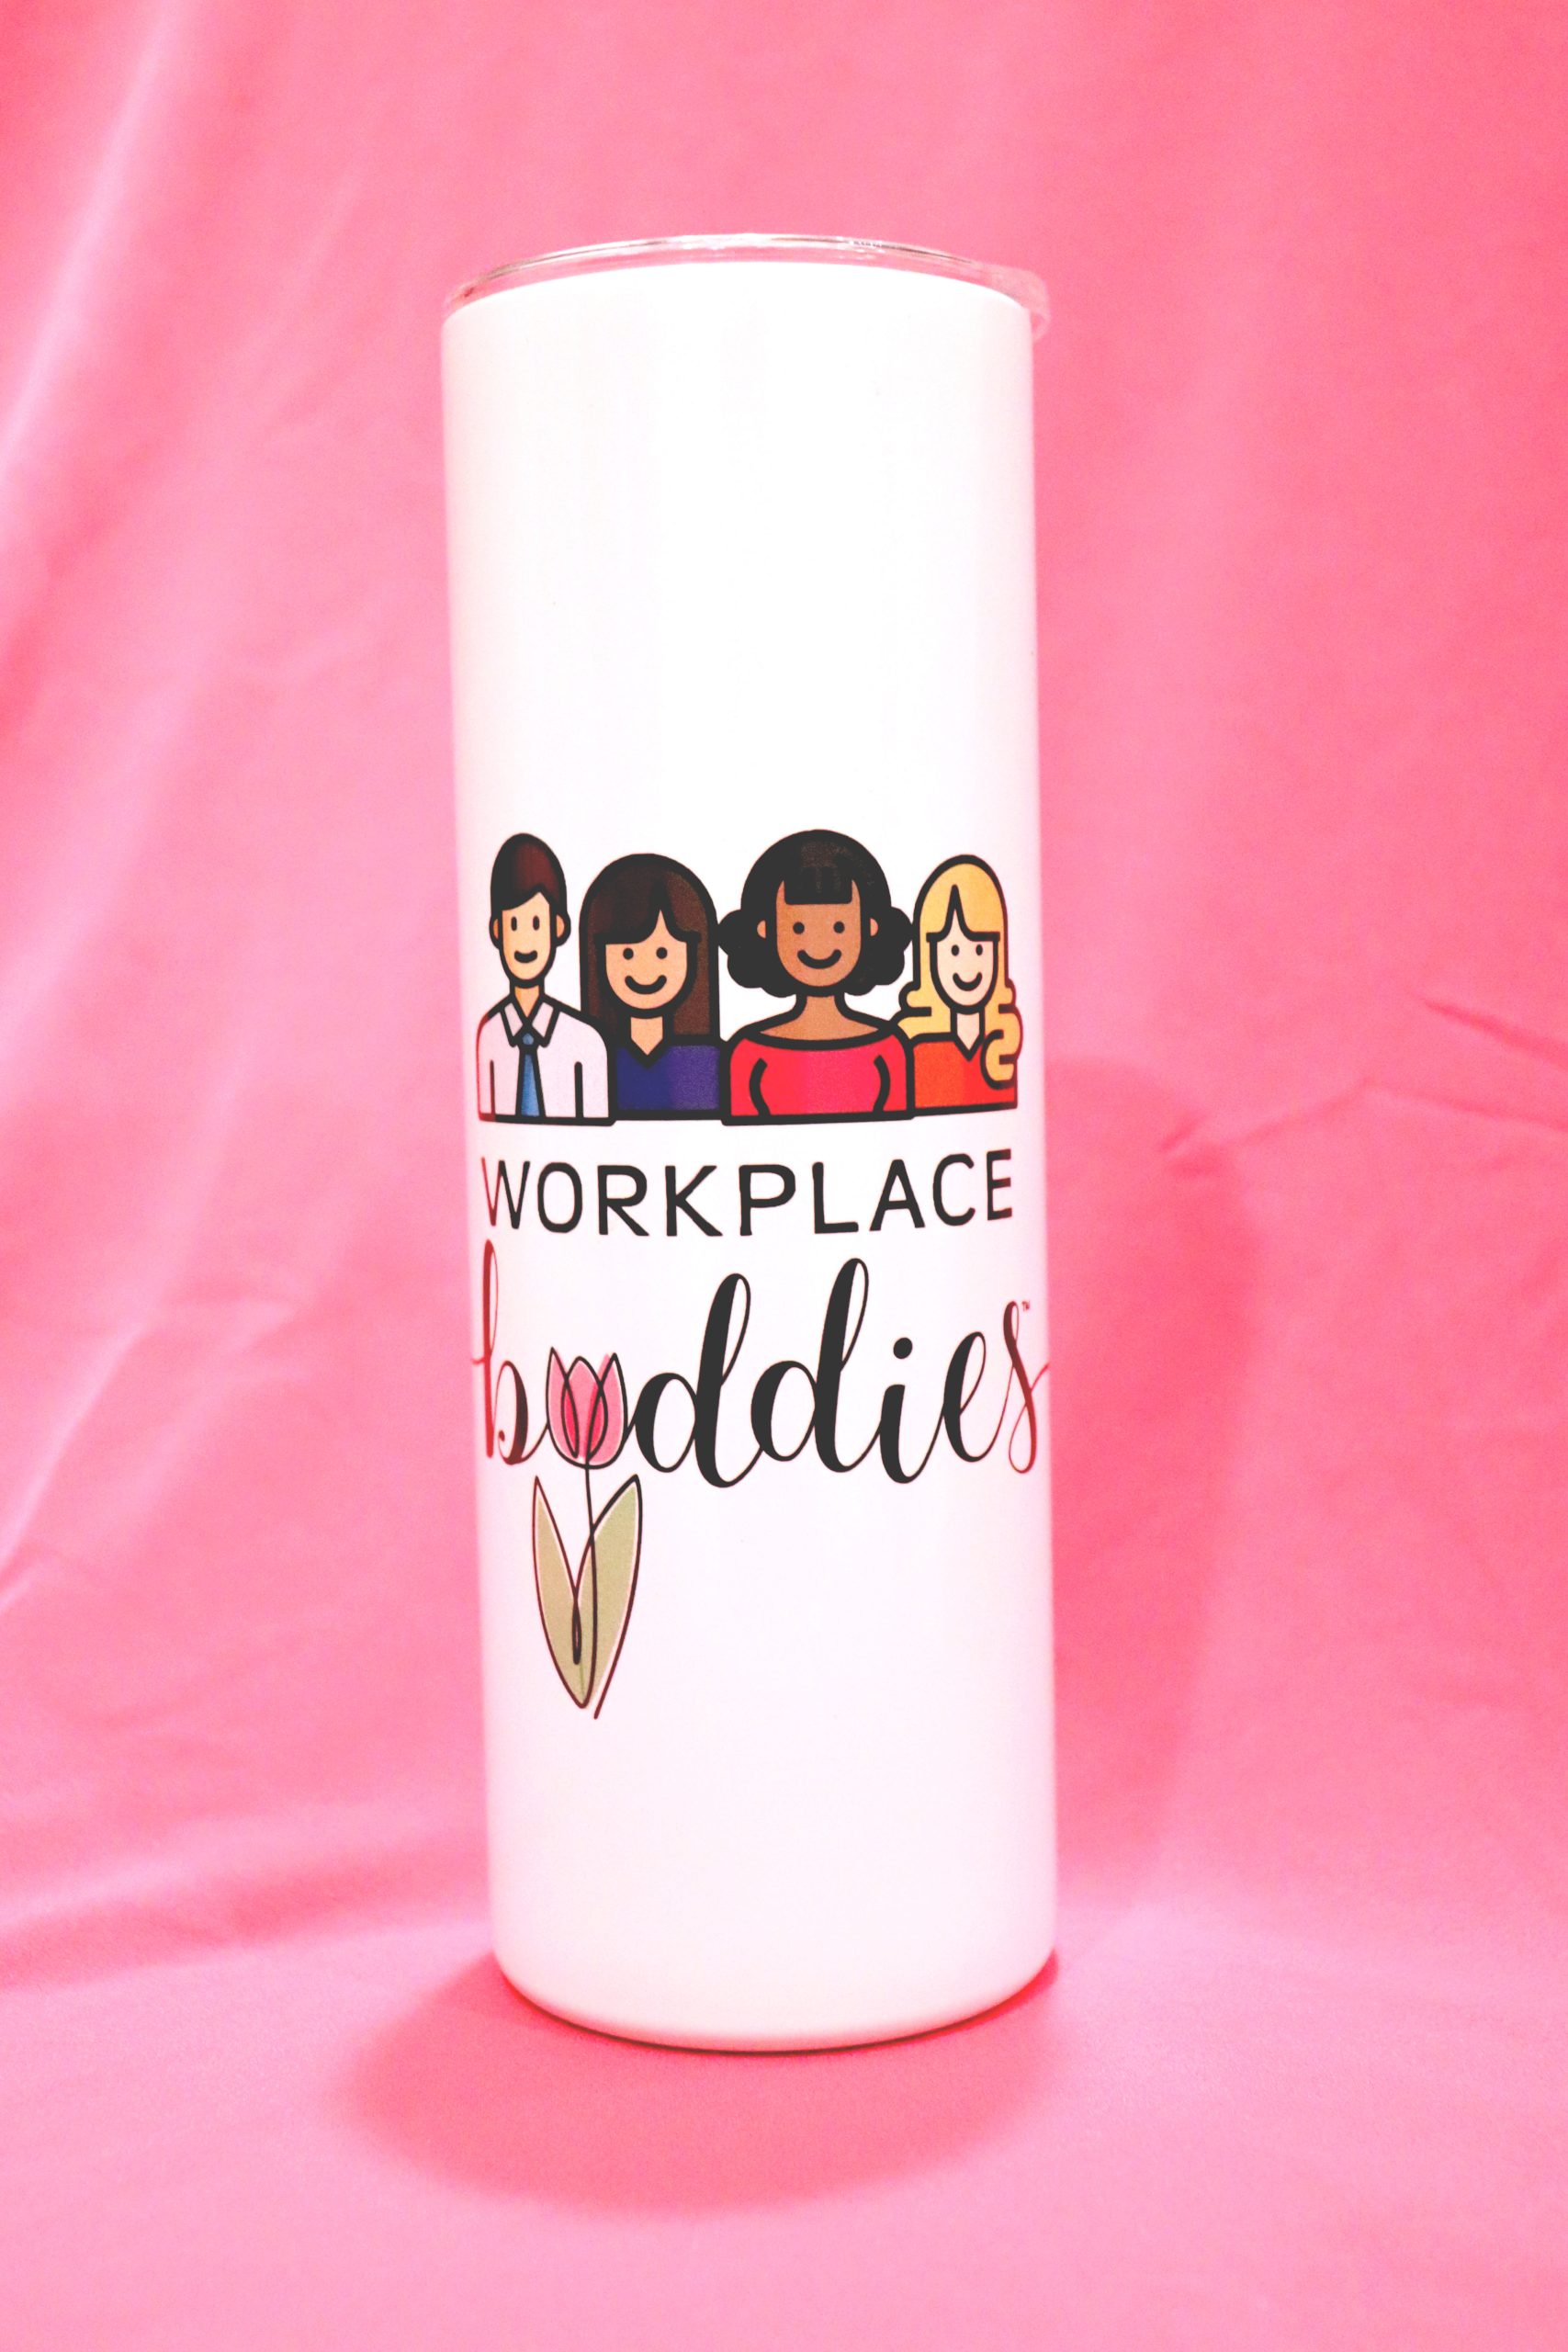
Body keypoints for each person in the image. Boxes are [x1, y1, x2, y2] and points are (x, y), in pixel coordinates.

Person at [718, 831, 912, 1120]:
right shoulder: (749, 1053)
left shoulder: (888, 1048)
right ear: (765, 930)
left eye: (838, 927)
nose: (819, 945)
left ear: (870, 928)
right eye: (798, 928)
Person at [476, 833, 608, 1121]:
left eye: (536, 923)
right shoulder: (490, 1036)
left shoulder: (585, 1041)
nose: (524, 939)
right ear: (497, 930)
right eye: (514, 924)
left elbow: (601, 1129)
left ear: (557, 927)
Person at [579, 854, 721, 1116]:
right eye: (627, 954)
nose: (645, 970)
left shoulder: (705, 1061)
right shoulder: (594, 1057)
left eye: (662, 953)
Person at [897, 856, 1021, 1111]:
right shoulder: (918, 1048)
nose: (968, 965)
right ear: (930, 956)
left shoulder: (1001, 1045)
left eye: (979, 949)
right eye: (953, 950)